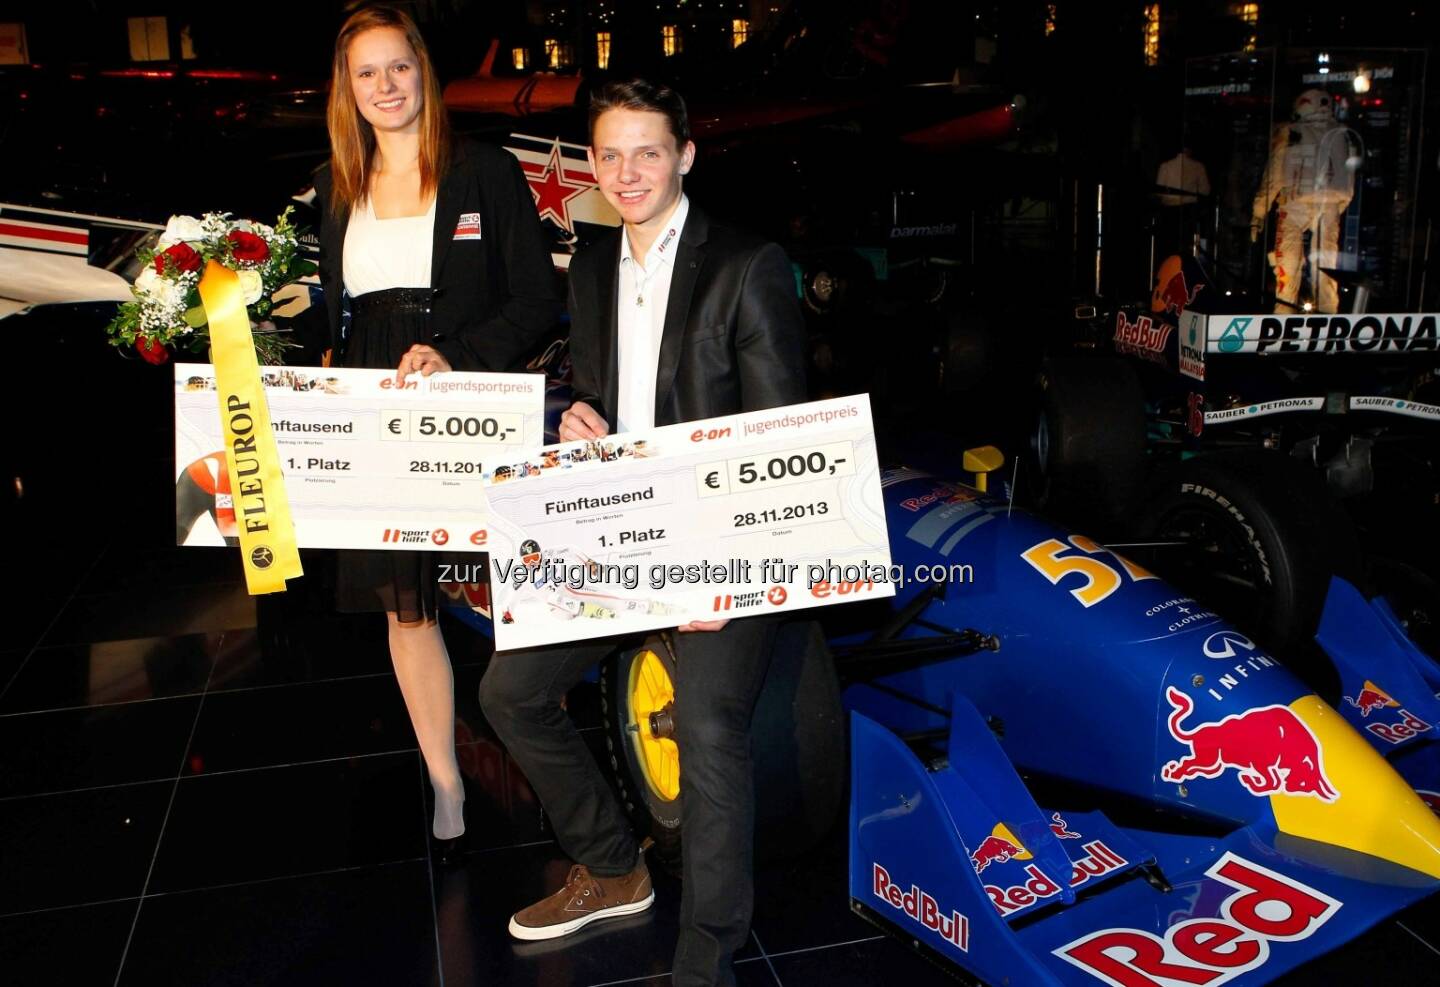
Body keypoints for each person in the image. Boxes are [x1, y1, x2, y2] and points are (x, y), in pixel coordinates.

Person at [478, 79, 807, 986]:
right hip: (620, 538)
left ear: (686, 156)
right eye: (609, 155)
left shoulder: (749, 264)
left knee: (704, 726)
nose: (627, 173)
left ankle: (707, 957)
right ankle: (615, 866)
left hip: (722, 544)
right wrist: (578, 417)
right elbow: (601, 392)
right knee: (511, 692)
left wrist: (722, 577)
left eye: (648, 152)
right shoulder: (586, 263)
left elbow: (777, 440)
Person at [311, 5, 560, 861]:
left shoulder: (484, 172)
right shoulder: (333, 184)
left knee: (515, 591)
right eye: (365, 73)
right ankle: (447, 780)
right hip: (379, 406)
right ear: (346, 89)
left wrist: (458, 354)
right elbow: (335, 310)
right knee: (406, 605)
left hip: (469, 397)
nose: (385, 86)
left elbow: (536, 298)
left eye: (398, 67)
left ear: (424, 72)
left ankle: (556, 769)